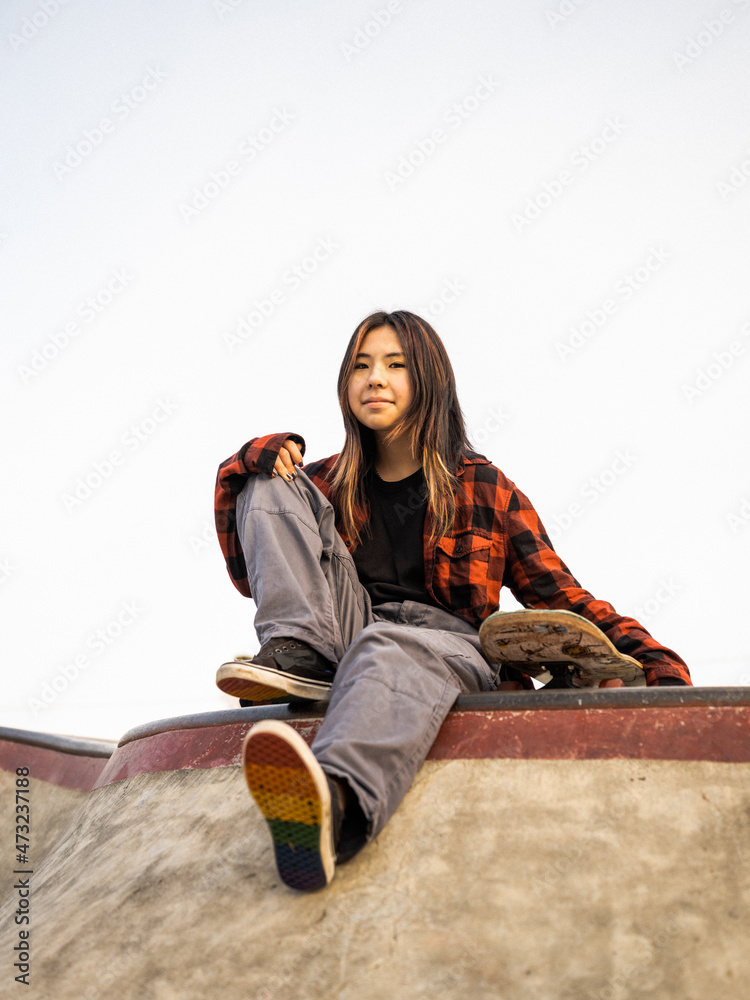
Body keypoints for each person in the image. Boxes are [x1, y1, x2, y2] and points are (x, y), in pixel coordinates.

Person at [213, 310, 691, 892]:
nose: (375, 378)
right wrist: (254, 457)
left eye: (395, 365)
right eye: (361, 366)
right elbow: (249, 565)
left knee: (388, 646)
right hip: (342, 631)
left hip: (450, 648)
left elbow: (562, 596)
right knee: (265, 475)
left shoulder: (483, 486)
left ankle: (334, 808)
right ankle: (298, 653)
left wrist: (659, 666)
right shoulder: (320, 484)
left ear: (428, 380)